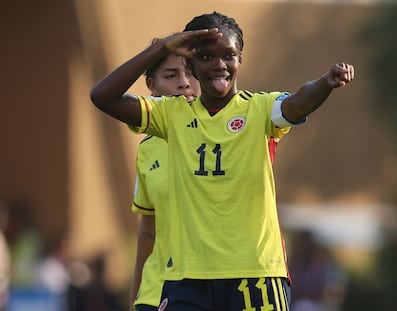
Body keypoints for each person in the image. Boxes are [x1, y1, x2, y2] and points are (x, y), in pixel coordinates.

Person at [90, 11, 354, 311]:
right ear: (190, 64)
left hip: (255, 275)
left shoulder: (261, 110)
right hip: (188, 280)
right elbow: (103, 96)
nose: (219, 65)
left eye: (229, 55)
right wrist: (163, 47)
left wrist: (325, 83)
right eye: (206, 57)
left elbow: (297, 101)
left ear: (240, 60)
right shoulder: (171, 115)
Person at [129, 41, 201, 311]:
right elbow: (148, 229)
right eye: (171, 76)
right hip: (155, 292)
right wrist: (136, 295)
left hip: (209, 288)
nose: (184, 83)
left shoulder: (225, 133)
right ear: (152, 85)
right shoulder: (147, 148)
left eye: (191, 73)